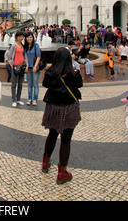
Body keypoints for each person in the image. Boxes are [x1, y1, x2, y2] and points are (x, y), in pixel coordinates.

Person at [41, 47, 83, 185]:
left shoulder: (50, 73)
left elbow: (45, 84)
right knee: (66, 140)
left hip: (53, 107)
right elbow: (80, 85)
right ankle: (61, 173)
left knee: (52, 134)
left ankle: (45, 163)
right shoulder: (74, 73)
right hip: (69, 108)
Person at [6, 31, 29, 107]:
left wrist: (27, 66)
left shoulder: (23, 46)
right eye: (19, 36)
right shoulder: (13, 46)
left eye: (22, 36)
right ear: (16, 38)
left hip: (22, 67)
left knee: (20, 84)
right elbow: (9, 55)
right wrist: (12, 64)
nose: (21, 38)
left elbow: (25, 56)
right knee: (14, 84)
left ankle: (18, 99)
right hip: (15, 67)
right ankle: (14, 99)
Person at [24, 32, 41, 106]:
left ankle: (35, 99)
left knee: (35, 84)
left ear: (33, 38)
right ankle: (29, 98)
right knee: (29, 84)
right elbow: (24, 57)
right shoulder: (25, 47)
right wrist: (26, 67)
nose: (29, 38)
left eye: (30, 37)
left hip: (35, 68)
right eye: (28, 37)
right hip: (28, 68)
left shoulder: (36, 46)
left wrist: (35, 66)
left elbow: (38, 56)